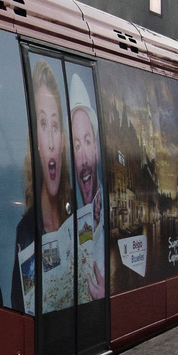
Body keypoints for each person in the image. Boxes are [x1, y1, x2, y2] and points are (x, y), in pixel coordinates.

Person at [11, 60, 73, 313]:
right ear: (35, 142)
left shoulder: (77, 218)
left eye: (55, 126)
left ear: (62, 141)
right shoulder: (25, 233)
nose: (49, 141)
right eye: (43, 125)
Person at [68, 72, 105, 299]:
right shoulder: (67, 219)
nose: (83, 159)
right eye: (76, 145)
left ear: (97, 150)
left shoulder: (115, 213)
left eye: (87, 142)